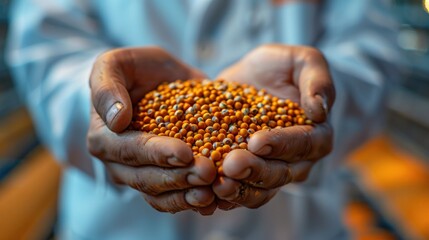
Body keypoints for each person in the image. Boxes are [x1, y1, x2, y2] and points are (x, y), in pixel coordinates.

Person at [6, 0, 402, 239]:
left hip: (294, 226)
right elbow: (45, 45)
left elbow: (372, 51)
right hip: (120, 226)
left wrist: (322, 99)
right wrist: (96, 105)